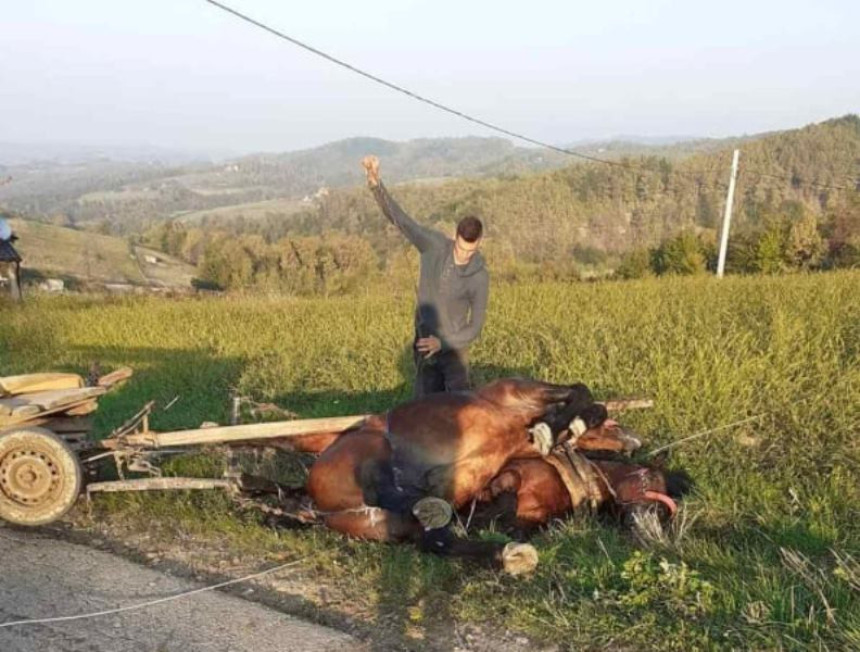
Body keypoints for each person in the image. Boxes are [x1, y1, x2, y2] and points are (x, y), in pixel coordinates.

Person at [362, 155, 489, 397]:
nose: (464, 255)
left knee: (457, 413)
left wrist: (443, 342)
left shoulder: (479, 276)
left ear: (479, 244)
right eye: (461, 248)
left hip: (455, 353)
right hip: (424, 347)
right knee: (423, 415)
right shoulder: (433, 246)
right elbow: (402, 221)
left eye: (470, 251)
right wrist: (375, 183)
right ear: (455, 237)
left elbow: (475, 327)